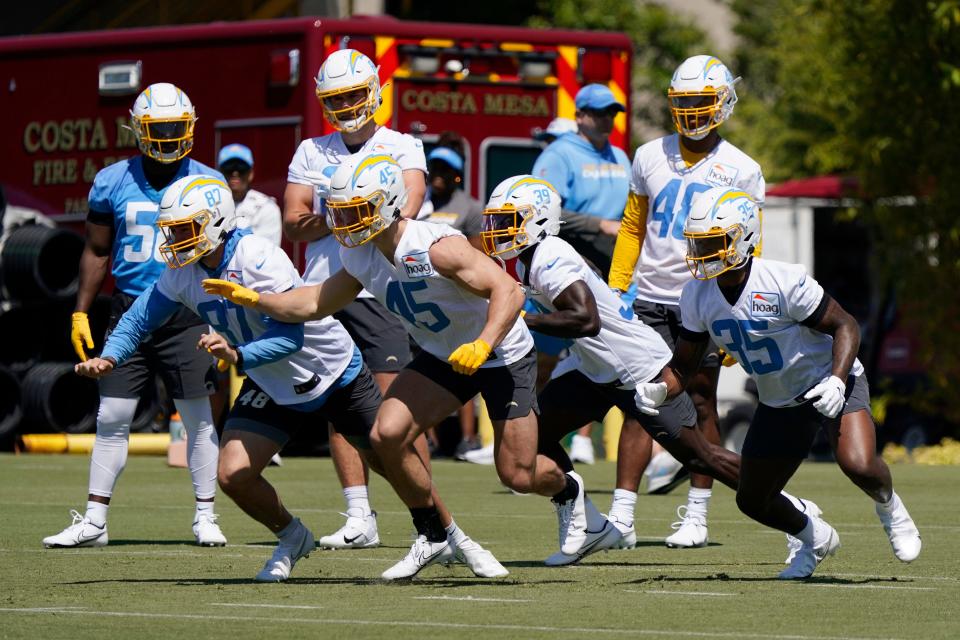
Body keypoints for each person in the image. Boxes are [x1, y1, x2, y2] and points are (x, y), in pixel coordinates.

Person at [75, 175, 496, 582]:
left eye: (185, 229)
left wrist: (239, 354)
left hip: (330, 371)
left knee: (391, 459)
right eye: (172, 231)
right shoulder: (180, 272)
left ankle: (454, 537)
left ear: (216, 223)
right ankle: (293, 537)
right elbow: (138, 319)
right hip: (270, 380)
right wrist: (110, 357)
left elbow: (291, 336)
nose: (175, 241)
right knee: (233, 474)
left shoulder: (257, 257)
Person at [203, 153, 593, 576]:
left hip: (501, 354)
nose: (347, 222)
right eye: (342, 212)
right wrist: (257, 299)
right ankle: (432, 534)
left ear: (386, 204)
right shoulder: (360, 255)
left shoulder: (434, 247)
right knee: (386, 433)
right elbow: (315, 302)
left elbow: (509, 292)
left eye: (356, 211)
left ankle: (569, 491)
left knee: (518, 475)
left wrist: (483, 344)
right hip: (444, 355)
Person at [650, 185, 921, 578]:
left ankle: (890, 508)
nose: (702, 256)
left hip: (828, 381)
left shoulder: (782, 280)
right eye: (698, 245)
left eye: (713, 244)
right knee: (753, 499)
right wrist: (657, 389)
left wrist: (836, 380)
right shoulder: (696, 294)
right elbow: (682, 367)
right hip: (779, 399)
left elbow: (845, 325)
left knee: (858, 464)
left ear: (742, 239)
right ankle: (813, 536)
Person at [44, 83, 226, 549]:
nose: (166, 137)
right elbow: (97, 249)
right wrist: (80, 312)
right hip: (129, 309)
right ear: (138, 129)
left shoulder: (209, 181)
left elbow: (224, 257)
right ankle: (95, 520)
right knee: (113, 414)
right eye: (157, 129)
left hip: (185, 308)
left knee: (197, 416)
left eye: (174, 128)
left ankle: (206, 515)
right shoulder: (111, 180)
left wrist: (226, 317)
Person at [607, 55, 765, 548]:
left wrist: (739, 312)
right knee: (642, 401)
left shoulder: (742, 168)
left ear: (722, 103)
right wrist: (617, 287)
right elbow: (633, 226)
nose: (692, 113)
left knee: (700, 401)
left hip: (706, 297)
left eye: (701, 102)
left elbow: (751, 246)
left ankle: (696, 515)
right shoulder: (648, 153)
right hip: (651, 296)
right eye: (684, 103)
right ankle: (622, 517)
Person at [283, 49, 428, 550]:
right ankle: (359, 515)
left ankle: (426, 517)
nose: (345, 104)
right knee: (341, 405)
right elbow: (293, 219)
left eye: (352, 93)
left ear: (373, 92)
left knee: (397, 408)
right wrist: (345, 215)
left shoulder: (401, 144)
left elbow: (410, 202)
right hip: (325, 287)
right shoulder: (311, 150)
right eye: (335, 97)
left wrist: (357, 213)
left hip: (380, 288)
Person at [532, 84, 632, 466]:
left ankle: (584, 441)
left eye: (612, 113)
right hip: (565, 272)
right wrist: (597, 225)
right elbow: (542, 209)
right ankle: (528, 434)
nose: (607, 120)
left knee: (606, 355)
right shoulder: (560, 155)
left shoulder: (620, 156)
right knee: (542, 362)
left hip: (615, 275)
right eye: (599, 112)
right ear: (581, 115)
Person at [418, 133, 485, 458]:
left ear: (457, 174)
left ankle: (467, 439)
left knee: (465, 364)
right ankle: (429, 439)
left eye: (447, 169)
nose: (440, 175)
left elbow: (477, 254)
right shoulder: (420, 202)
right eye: (436, 168)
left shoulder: (470, 207)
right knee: (421, 362)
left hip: (456, 297)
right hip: (421, 295)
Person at [218, 143, 282, 246]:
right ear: (219, 172)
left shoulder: (266, 207)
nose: (235, 173)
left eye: (241, 167)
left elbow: (267, 251)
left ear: (251, 173)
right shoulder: (210, 205)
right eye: (228, 167)